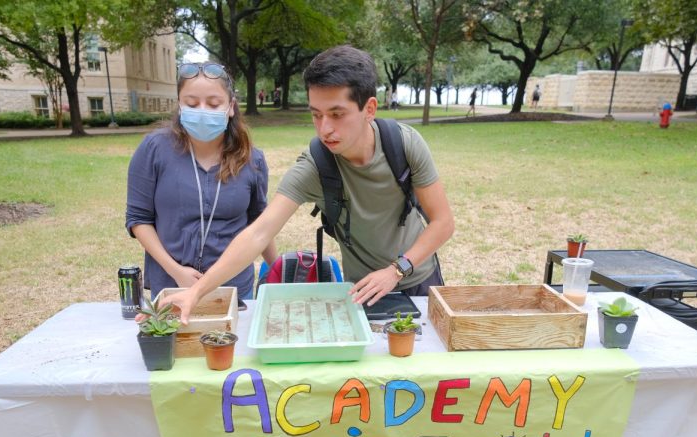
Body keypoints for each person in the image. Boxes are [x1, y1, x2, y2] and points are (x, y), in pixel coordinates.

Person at [164, 45, 455, 323]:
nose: (325, 129)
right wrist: (196, 292)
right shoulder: (316, 165)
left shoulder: (403, 143)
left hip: (418, 276)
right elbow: (258, 234)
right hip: (362, 290)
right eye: (316, 115)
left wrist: (396, 270)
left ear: (369, 108)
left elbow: (442, 222)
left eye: (337, 114)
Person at [126, 61, 277, 301]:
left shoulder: (252, 159)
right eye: (192, 103)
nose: (203, 110)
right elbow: (138, 219)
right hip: (172, 288)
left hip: (235, 290)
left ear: (230, 107)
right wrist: (175, 271)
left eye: (214, 103)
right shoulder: (153, 149)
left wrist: (279, 271)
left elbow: (260, 223)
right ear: (179, 105)